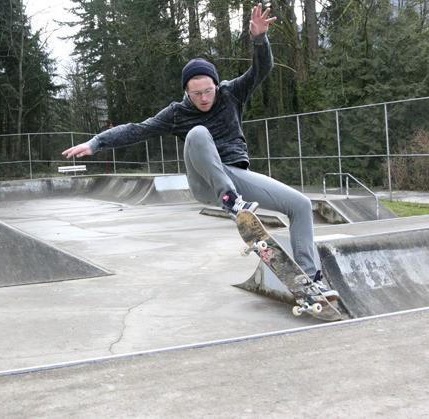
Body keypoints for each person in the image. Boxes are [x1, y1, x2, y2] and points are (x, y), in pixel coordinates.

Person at [62, 3, 338, 300]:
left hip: (234, 175)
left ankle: (309, 280)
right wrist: (96, 142)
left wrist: (259, 39)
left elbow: (262, 69)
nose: (204, 98)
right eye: (196, 94)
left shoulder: (231, 93)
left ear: (217, 85)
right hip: (204, 183)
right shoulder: (177, 113)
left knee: (300, 205)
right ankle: (231, 202)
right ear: (186, 92)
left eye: (208, 90)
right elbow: (137, 128)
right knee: (198, 133)